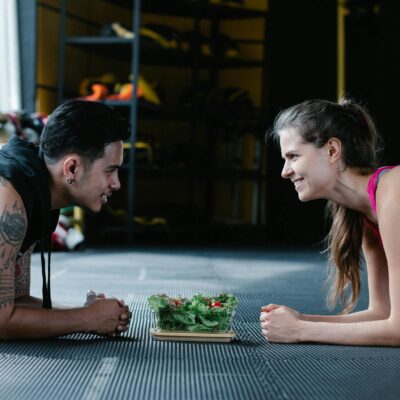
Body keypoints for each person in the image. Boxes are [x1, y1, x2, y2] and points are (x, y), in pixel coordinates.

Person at [260, 98, 400, 346]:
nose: (285, 170)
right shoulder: (367, 214)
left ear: (332, 150)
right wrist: (301, 320)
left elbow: (397, 328)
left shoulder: (393, 192)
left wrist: (300, 330)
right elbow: (382, 314)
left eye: (293, 156)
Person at [0, 99, 132, 340]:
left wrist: (89, 311)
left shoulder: (33, 189)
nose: (116, 183)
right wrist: (89, 319)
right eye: (109, 170)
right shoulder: (8, 198)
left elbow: (16, 302)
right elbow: (1, 321)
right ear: (71, 168)